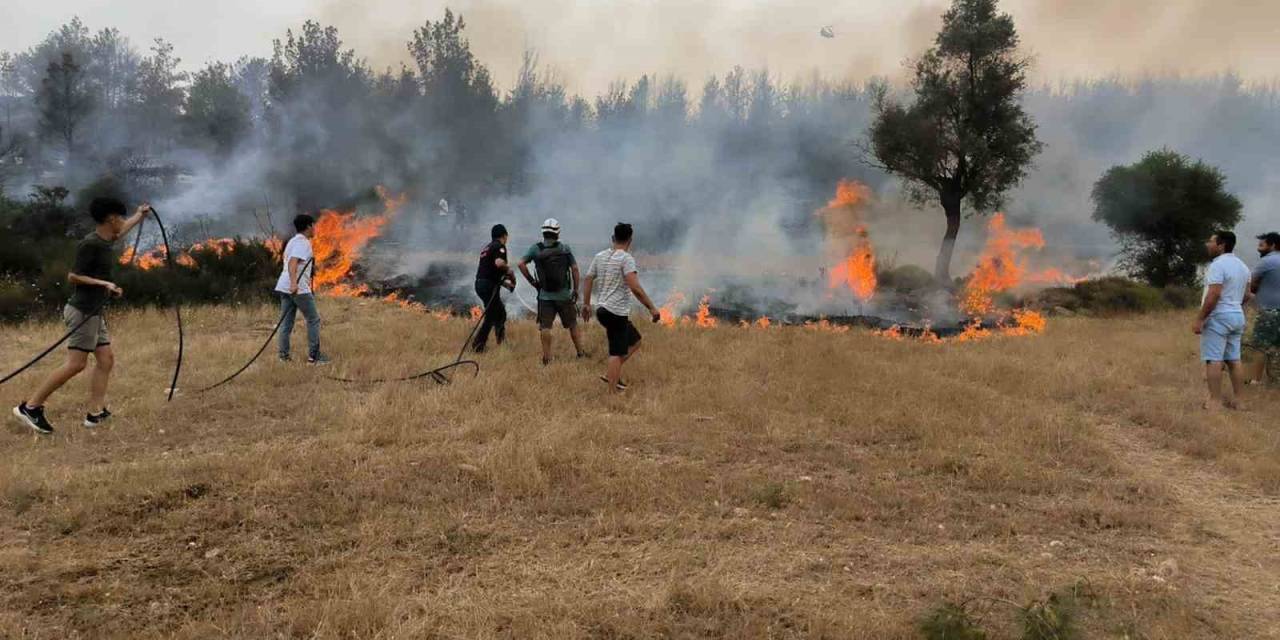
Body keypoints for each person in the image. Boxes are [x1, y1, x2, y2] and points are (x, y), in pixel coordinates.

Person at [12, 197, 150, 434]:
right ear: (110, 218)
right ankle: (30, 407)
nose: (123, 221)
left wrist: (140, 215)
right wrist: (104, 283)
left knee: (106, 360)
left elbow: (121, 232)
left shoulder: (107, 239)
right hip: (82, 312)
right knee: (76, 364)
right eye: (120, 217)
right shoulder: (90, 244)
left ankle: (94, 414)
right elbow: (73, 276)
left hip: (94, 312)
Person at [581, 223, 661, 392]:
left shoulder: (600, 256)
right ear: (630, 240)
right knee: (616, 352)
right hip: (615, 312)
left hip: (602, 310)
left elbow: (588, 279)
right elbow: (635, 288)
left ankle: (612, 374)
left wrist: (586, 304)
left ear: (613, 238)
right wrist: (652, 308)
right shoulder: (626, 259)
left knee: (635, 341)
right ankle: (611, 393)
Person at [1193, 231, 1253, 410]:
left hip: (1219, 316)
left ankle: (1215, 401)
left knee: (1213, 359)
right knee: (1234, 359)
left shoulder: (1218, 265)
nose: (1207, 244)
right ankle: (1240, 401)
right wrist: (1235, 306)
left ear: (1221, 245)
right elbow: (1247, 294)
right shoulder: (1243, 266)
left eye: (1211, 241)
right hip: (1236, 314)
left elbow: (1214, 294)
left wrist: (1200, 319)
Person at [518, 218, 586, 365]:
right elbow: (574, 269)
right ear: (557, 233)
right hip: (564, 295)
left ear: (543, 232)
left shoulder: (535, 249)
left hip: (544, 296)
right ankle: (580, 353)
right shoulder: (565, 248)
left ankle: (547, 358)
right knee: (572, 324)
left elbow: (520, 263)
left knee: (545, 327)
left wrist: (532, 282)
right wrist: (575, 289)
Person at [275, 214, 329, 365]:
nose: (315, 229)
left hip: (284, 286)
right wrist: (294, 284)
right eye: (314, 225)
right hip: (297, 288)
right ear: (309, 226)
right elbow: (293, 262)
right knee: (313, 319)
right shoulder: (303, 243)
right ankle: (314, 357)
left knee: (286, 323)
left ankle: (283, 357)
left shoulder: (293, 241)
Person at [473, 224, 515, 352]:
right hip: (487, 286)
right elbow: (499, 263)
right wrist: (510, 272)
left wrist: (507, 285)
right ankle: (479, 346)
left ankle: (496, 342)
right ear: (504, 235)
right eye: (506, 237)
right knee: (495, 314)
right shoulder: (499, 246)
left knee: (497, 312)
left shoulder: (487, 248)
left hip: (481, 284)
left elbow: (490, 273)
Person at [1247, 232, 1280, 384]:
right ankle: (1275, 380)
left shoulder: (1267, 261)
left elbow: (1249, 283)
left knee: (1260, 345)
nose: (1259, 249)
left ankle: (1256, 380)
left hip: (1269, 310)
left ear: (1272, 245)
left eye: (1262, 245)